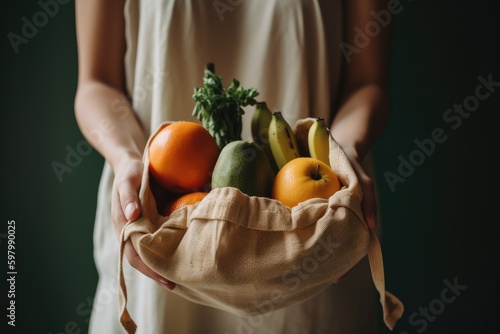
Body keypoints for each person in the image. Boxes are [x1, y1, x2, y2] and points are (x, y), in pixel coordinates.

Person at [74, 0, 392, 333]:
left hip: (315, 238)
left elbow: (368, 82)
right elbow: (96, 83)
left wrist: (344, 155)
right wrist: (125, 158)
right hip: (158, 231)